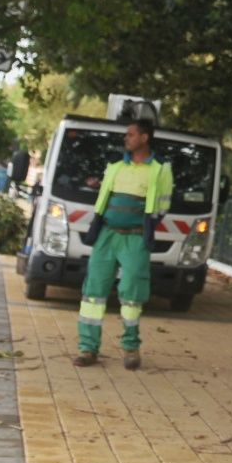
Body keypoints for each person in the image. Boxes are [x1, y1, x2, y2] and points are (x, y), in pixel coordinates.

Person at [74, 119, 172, 370]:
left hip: (135, 237)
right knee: (93, 292)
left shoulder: (160, 171)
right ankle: (88, 348)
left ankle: (130, 348)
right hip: (107, 235)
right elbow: (103, 200)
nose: (126, 139)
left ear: (144, 137)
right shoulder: (115, 167)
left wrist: (145, 225)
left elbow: (162, 206)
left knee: (132, 292)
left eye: (130, 135)